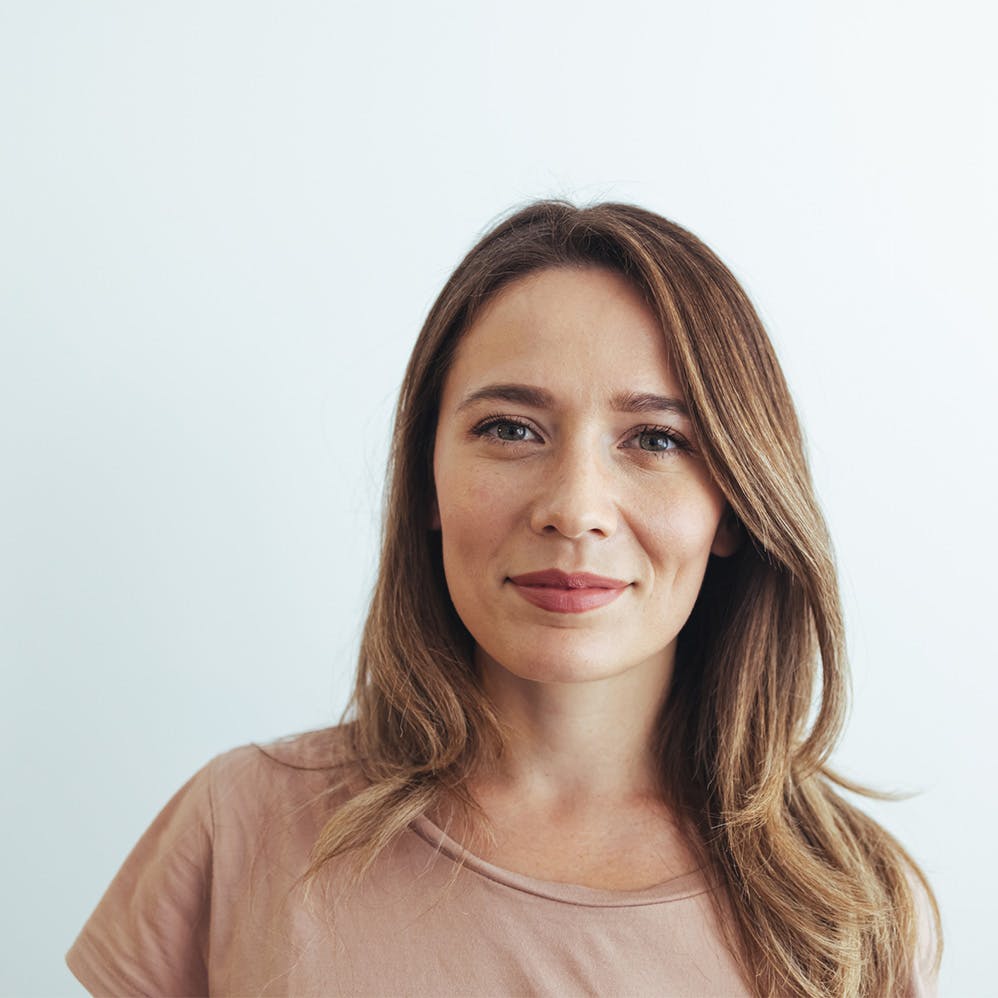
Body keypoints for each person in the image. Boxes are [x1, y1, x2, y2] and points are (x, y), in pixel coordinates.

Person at [66, 201, 941, 997]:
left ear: (735, 506)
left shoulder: (848, 906)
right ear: (426, 483)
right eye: (511, 429)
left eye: (656, 438)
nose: (574, 509)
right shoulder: (243, 828)